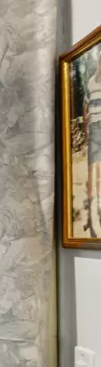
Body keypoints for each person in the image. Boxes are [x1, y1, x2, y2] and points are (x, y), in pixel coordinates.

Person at [87, 59, 101, 236]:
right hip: (93, 128)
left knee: (99, 171)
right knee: (92, 170)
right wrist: (86, 127)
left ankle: (98, 205)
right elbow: (85, 104)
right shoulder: (90, 82)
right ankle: (92, 212)